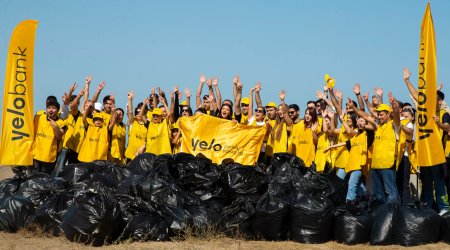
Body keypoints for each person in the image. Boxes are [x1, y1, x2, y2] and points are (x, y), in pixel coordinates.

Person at [353, 92, 400, 204]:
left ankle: (392, 216)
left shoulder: (394, 126)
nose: (379, 116)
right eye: (378, 114)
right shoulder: (377, 127)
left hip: (387, 165)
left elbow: (397, 115)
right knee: (379, 195)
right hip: (375, 166)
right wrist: (353, 108)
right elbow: (365, 116)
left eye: (382, 114)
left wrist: (394, 105)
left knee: (390, 193)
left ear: (388, 114)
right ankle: (382, 216)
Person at [32, 96, 67, 174]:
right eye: (49, 107)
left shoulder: (62, 123)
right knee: (32, 179)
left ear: (57, 110)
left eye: (53, 108)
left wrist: (55, 126)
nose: (51, 110)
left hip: (49, 158)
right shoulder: (38, 118)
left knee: (45, 181)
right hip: (35, 156)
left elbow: (59, 136)